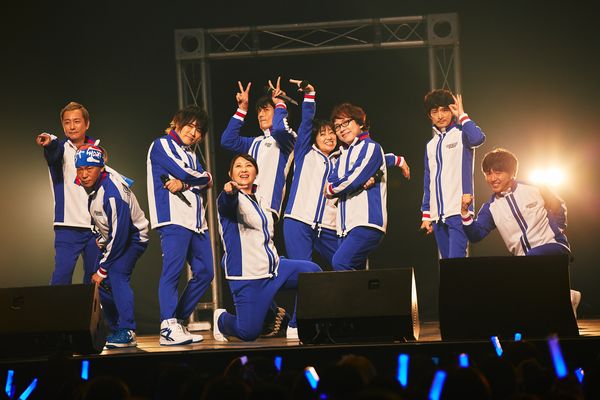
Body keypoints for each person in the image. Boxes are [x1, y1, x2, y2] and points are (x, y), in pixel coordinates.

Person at [280, 79, 410, 269]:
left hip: (330, 225)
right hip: (299, 220)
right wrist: (309, 96)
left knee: (348, 266)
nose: (330, 136)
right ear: (314, 138)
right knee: (304, 272)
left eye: (332, 132)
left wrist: (395, 160)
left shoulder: (341, 159)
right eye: (323, 133)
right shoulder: (305, 153)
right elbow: (306, 124)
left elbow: (371, 159)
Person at [214, 154, 322, 341]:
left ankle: (296, 325)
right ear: (230, 174)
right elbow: (226, 204)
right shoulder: (230, 199)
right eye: (238, 166)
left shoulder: (261, 199)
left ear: (256, 172)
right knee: (248, 333)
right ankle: (221, 320)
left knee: (312, 272)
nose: (244, 169)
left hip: (275, 269)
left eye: (248, 165)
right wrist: (229, 192)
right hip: (249, 277)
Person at [461, 148, 581, 314]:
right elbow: (475, 235)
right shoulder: (490, 208)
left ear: (512, 173)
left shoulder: (535, 188)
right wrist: (464, 212)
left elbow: (558, 207)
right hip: (523, 262)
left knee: (526, 265)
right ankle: (568, 297)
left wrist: (557, 230)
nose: (493, 178)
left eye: (498, 172)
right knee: (521, 290)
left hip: (554, 247)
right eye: (488, 174)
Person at [147, 105, 214, 345]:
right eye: (190, 125)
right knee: (173, 272)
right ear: (177, 122)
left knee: (206, 272)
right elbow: (191, 175)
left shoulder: (192, 155)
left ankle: (178, 321)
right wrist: (203, 177)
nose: (193, 132)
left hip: (196, 221)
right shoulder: (162, 144)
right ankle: (168, 326)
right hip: (173, 218)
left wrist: (187, 183)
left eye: (199, 130)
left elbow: (195, 180)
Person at [75, 144, 149, 348]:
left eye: (89, 169)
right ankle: (116, 328)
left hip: (133, 238)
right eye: (80, 169)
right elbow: (101, 218)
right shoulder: (95, 185)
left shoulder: (112, 193)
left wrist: (103, 268)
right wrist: (100, 238)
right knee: (98, 283)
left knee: (116, 274)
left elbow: (120, 234)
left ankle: (127, 330)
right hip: (114, 238)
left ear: (101, 168)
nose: (84, 174)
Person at [35, 102, 101, 285]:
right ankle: (55, 307)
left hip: (96, 228)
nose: (72, 126)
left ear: (87, 123)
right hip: (67, 226)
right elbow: (53, 151)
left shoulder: (96, 150)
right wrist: (49, 142)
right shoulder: (60, 148)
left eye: (77, 121)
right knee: (61, 279)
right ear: (63, 125)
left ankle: (92, 307)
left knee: (96, 282)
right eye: (67, 122)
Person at [420, 89, 486, 259]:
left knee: (456, 264)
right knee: (447, 266)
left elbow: (478, 138)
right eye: (435, 111)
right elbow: (428, 180)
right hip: (437, 217)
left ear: (451, 110)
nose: (440, 115)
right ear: (429, 115)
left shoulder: (462, 133)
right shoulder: (430, 145)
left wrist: (462, 115)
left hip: (459, 211)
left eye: (444, 110)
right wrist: (426, 214)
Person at [220, 78, 296, 220]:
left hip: (266, 207)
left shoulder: (288, 139)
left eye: (266, 110)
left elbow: (279, 130)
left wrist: (280, 103)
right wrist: (242, 109)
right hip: (244, 204)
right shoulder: (255, 142)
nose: (261, 115)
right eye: (259, 111)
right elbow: (227, 141)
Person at [324, 103, 388, 271]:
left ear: (360, 123)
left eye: (346, 122)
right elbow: (332, 182)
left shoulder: (371, 147)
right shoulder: (341, 156)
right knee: (358, 276)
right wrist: (340, 186)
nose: (341, 129)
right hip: (344, 227)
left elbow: (353, 179)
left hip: (366, 222)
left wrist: (334, 188)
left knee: (340, 263)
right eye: (338, 126)